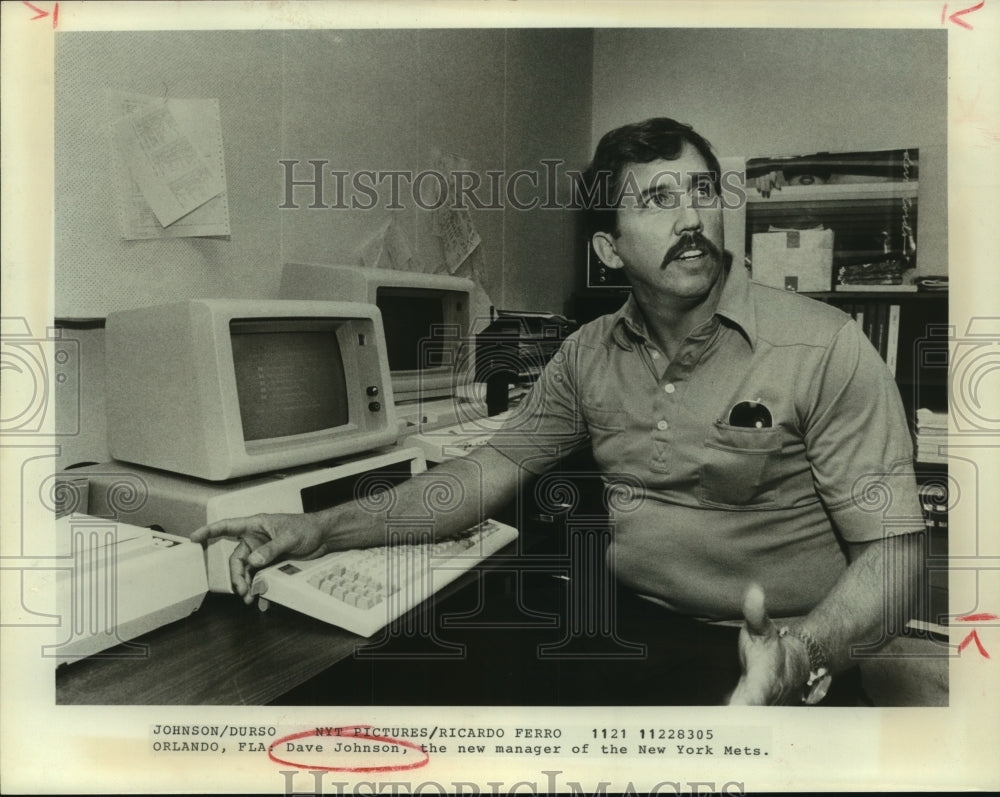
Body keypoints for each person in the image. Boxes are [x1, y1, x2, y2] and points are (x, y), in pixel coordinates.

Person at [193, 117, 926, 706]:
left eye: (701, 191)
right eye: (658, 200)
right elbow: (480, 477)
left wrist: (804, 653)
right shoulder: (586, 353)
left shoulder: (824, 345)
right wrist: (320, 528)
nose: (692, 216)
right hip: (628, 634)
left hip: (781, 649)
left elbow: (896, 558)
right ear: (609, 248)